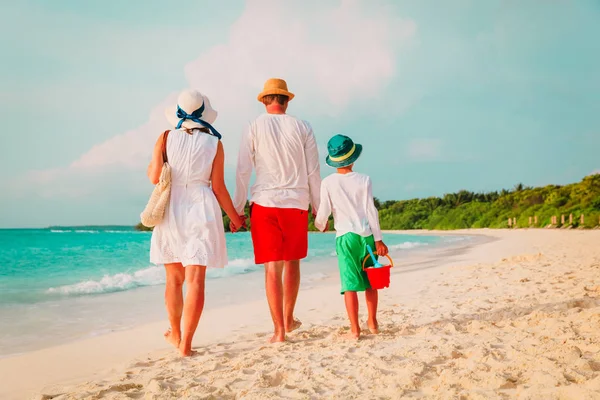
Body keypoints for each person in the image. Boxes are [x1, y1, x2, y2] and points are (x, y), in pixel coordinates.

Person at [148, 89, 244, 356]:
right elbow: (219, 188)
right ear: (204, 115)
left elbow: (155, 177)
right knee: (196, 281)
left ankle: (175, 333)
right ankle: (186, 346)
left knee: (173, 280)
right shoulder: (215, 143)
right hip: (201, 207)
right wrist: (236, 219)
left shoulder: (165, 137)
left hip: (172, 208)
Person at [233, 78, 322, 343]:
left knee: (272, 268)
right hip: (296, 202)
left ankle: (278, 331)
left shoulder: (253, 126)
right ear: (287, 100)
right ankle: (288, 319)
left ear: (264, 100)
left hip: (264, 203)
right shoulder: (303, 126)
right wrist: (319, 208)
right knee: (292, 261)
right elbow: (313, 171)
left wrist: (237, 210)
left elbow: (243, 170)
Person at [314, 134, 389, 340]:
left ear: (333, 161)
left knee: (349, 285)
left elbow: (324, 211)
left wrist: (320, 224)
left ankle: (355, 329)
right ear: (353, 158)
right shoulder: (364, 180)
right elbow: (371, 210)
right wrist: (378, 239)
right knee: (371, 281)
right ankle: (372, 322)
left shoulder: (328, 182)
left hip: (345, 238)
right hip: (365, 237)